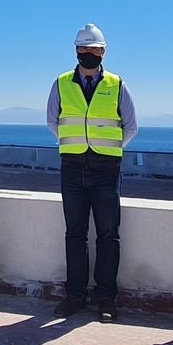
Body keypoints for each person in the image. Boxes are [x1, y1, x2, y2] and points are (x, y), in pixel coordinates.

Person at [46, 23, 137, 323]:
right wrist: (78, 145)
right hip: (72, 168)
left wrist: (105, 148)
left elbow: (131, 126)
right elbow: (52, 121)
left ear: (103, 52)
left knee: (108, 235)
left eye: (94, 49)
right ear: (76, 51)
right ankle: (75, 297)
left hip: (106, 169)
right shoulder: (61, 83)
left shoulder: (117, 83)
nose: (89, 54)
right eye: (84, 49)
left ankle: (106, 299)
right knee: (75, 234)